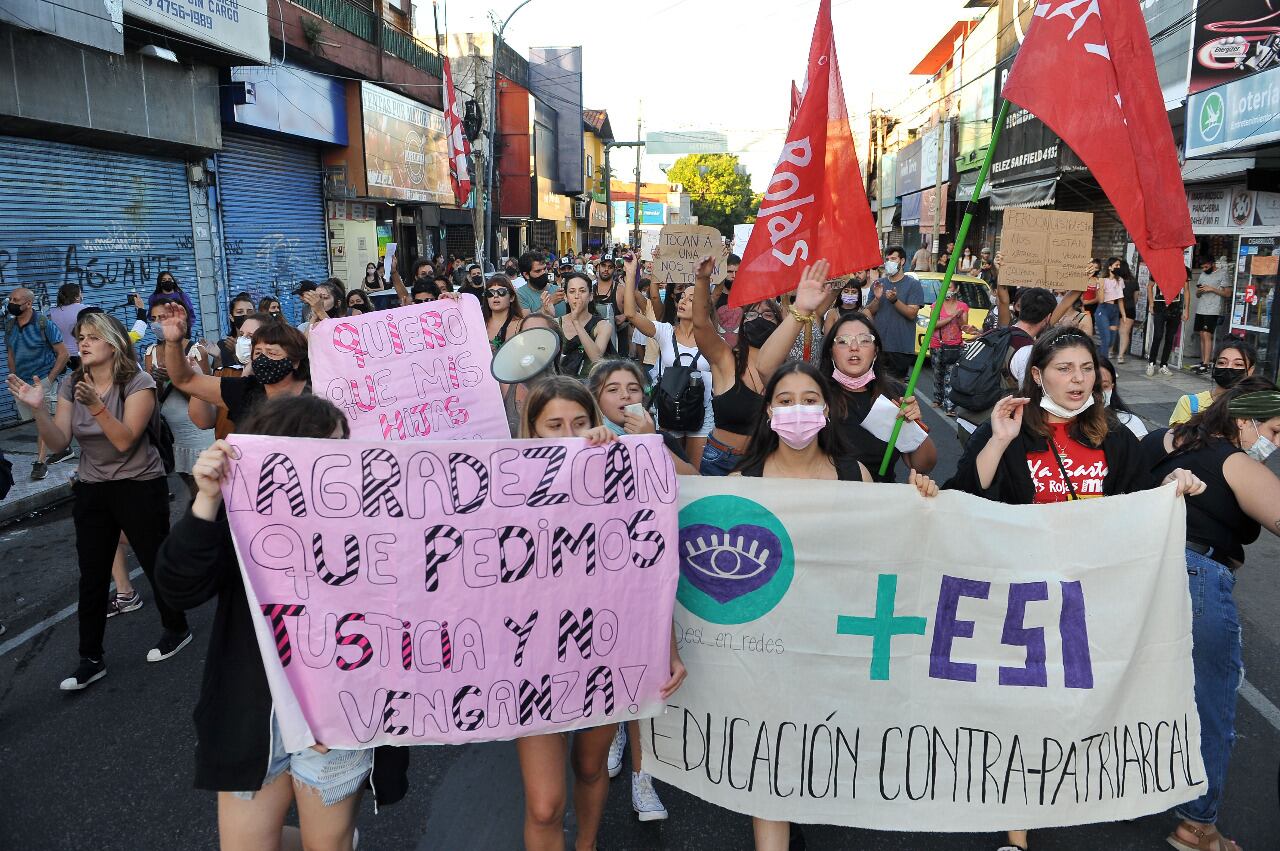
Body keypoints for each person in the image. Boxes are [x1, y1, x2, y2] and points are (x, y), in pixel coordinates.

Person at [944, 326, 1203, 851]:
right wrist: (997, 439)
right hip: (1023, 594)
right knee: (1023, 709)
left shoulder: (1113, 436)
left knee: (1095, 695)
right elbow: (964, 497)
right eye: (1064, 368)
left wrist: (1174, 488)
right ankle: (1016, 833)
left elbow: (1137, 503)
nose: (1078, 380)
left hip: (1095, 595)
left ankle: (1102, 789)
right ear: (1037, 375)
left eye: (1086, 369)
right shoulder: (1011, 427)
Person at [155, 395, 408, 849]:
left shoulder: (374, 523)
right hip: (253, 719)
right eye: (313, 450)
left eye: (339, 449)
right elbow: (178, 588)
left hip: (338, 719)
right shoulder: (242, 519)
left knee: (324, 845)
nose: (329, 463)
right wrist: (208, 499)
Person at [735, 360, 938, 851]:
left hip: (835, 641)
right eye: (785, 401)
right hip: (769, 645)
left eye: (809, 400)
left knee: (816, 746)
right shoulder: (746, 480)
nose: (797, 411)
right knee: (772, 751)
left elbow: (885, 553)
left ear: (827, 411)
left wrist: (917, 503)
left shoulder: (856, 475)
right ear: (768, 413)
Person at [515, 376, 686, 851]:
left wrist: (665, 648)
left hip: (601, 654)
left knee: (591, 768)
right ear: (532, 432)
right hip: (531, 663)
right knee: (545, 803)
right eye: (555, 425)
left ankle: (586, 845)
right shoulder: (504, 487)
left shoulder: (621, 479)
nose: (569, 434)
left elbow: (647, 574)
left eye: (580, 422)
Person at [7, 312, 193, 690]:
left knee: (154, 559)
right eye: (80, 336)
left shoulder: (137, 382)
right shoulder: (72, 383)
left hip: (140, 483)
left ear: (112, 343)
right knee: (92, 574)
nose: (83, 343)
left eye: (92, 336)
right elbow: (59, 444)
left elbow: (125, 441)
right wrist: (39, 409)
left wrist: (95, 406)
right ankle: (90, 658)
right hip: (93, 487)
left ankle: (177, 628)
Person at [1143, 379, 1280, 851]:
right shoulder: (1234, 459)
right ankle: (1197, 826)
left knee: (1139, 691)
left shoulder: (1172, 440)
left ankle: (1124, 787)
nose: (1277, 442)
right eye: (1276, 430)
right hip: (1196, 578)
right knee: (1210, 702)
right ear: (1245, 421)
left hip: (1142, 573)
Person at [759, 260, 937, 482]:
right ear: (831, 350)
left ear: (876, 350)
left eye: (864, 340)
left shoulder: (894, 393)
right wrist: (801, 310)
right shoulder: (815, 391)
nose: (854, 347)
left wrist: (911, 427)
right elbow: (765, 368)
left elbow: (923, 464)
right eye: (843, 341)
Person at [621, 255, 716, 471]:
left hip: (702, 414)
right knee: (667, 469)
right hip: (668, 411)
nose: (682, 301)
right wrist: (630, 273)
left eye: (691, 299)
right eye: (682, 297)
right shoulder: (664, 332)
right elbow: (630, 314)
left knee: (694, 473)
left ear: (705, 306)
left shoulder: (714, 342)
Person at [158, 305, 310, 435]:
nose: (263, 359)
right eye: (258, 353)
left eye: (272, 353)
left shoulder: (316, 390)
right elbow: (185, 380)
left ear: (295, 361)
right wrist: (173, 342)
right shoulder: (245, 389)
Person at [686, 255, 770, 475]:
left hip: (766, 462)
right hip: (721, 462)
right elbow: (701, 323)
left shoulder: (788, 371)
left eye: (768, 314)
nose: (759, 318)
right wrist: (702, 280)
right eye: (752, 313)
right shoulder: (726, 358)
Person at [144, 297, 215, 500]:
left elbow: (204, 394)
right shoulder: (151, 352)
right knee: (186, 480)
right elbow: (155, 399)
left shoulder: (195, 351)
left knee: (204, 488)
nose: (158, 322)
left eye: (163, 317)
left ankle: (204, 525)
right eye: (154, 318)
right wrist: (157, 382)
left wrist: (175, 379)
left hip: (198, 430)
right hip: (174, 433)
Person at [5, 286, 71, 480]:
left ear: (28, 303)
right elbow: (11, 354)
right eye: (10, 300)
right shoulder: (9, 326)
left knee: (43, 421)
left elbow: (64, 354)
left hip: (42, 379)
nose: (11, 304)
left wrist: (48, 380)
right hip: (22, 383)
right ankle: (64, 447)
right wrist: (14, 377)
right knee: (36, 421)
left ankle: (40, 463)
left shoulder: (43, 323)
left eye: (16, 300)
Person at [865, 246, 925, 379]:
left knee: (895, 389)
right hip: (878, 346)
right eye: (887, 259)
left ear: (902, 261)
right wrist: (877, 298)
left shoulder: (913, 284)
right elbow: (869, 312)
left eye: (893, 259)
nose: (889, 262)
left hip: (900, 347)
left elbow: (912, 313)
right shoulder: (878, 283)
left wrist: (894, 301)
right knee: (876, 387)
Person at [1169, 339, 1258, 425]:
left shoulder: (1257, 408)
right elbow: (1179, 438)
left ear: (1250, 370)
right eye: (1222, 363)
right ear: (1214, 366)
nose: (1228, 368)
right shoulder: (1189, 403)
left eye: (1238, 364)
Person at [557, 272, 614, 379]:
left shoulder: (603, 326)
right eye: (572, 291)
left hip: (590, 384)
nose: (577, 296)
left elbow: (596, 359)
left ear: (590, 296)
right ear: (565, 297)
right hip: (562, 386)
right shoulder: (556, 323)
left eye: (582, 291)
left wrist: (576, 322)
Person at [929, 287, 969, 416]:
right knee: (937, 373)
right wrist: (951, 317)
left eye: (950, 287)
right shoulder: (936, 305)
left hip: (954, 346)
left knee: (950, 376)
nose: (947, 290)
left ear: (956, 289)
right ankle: (937, 398)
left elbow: (964, 326)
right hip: (937, 344)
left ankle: (949, 406)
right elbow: (933, 324)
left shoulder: (962, 306)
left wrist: (959, 318)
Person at [1146, 269, 1190, 376]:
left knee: (1170, 337)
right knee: (1158, 335)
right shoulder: (1159, 268)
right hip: (1160, 307)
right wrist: (1151, 304)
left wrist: (1186, 309)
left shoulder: (1183, 270)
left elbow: (1187, 290)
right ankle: (1151, 363)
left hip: (1175, 308)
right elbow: (1149, 286)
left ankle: (1164, 365)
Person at [1193, 257, 1231, 373]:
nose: (1204, 269)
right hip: (1201, 308)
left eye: (1206, 267)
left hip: (1213, 309)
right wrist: (1199, 291)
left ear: (1213, 264)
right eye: (1202, 267)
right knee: (1201, 334)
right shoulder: (1203, 274)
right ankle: (1203, 361)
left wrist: (1212, 289)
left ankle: (1206, 363)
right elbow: (1197, 294)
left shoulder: (1222, 274)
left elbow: (1228, 293)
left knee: (1207, 334)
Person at [1098, 358, 1147, 438]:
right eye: (1093, 387)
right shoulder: (1073, 426)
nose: (1099, 393)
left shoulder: (1130, 423)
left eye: (1105, 386)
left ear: (1112, 386)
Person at [49, 284, 87, 371]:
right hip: (81, 354)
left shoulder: (51, 313)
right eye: (81, 293)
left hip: (61, 357)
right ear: (77, 297)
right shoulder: (86, 310)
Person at [517, 252, 566, 317]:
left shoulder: (557, 290)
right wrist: (549, 303)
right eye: (538, 271)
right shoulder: (520, 294)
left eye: (545, 268)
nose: (544, 273)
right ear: (526, 275)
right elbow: (526, 323)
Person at [482, 274, 523, 352]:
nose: (495, 296)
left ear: (511, 297)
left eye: (501, 291)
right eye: (490, 293)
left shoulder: (522, 325)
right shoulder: (479, 324)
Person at [1094, 258, 1125, 360]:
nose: (1118, 267)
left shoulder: (1120, 280)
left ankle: (1095, 359)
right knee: (1106, 340)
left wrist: (1123, 315)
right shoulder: (1102, 280)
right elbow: (1101, 300)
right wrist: (1101, 286)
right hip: (1103, 309)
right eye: (1116, 265)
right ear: (1110, 267)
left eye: (1119, 265)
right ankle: (1104, 366)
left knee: (1111, 341)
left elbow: (1120, 299)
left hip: (1114, 310)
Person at [218, 294, 257, 370]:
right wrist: (218, 357)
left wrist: (236, 353)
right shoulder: (224, 344)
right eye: (240, 312)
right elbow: (217, 374)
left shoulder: (261, 343)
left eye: (249, 312)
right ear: (231, 317)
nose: (245, 315)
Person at [1113, 260, 1138, 362]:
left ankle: (1110, 351)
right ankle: (1121, 356)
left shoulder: (1115, 280)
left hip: (1114, 308)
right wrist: (1132, 304)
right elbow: (1136, 296)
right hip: (1130, 308)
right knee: (1124, 333)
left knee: (1113, 330)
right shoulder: (1133, 281)